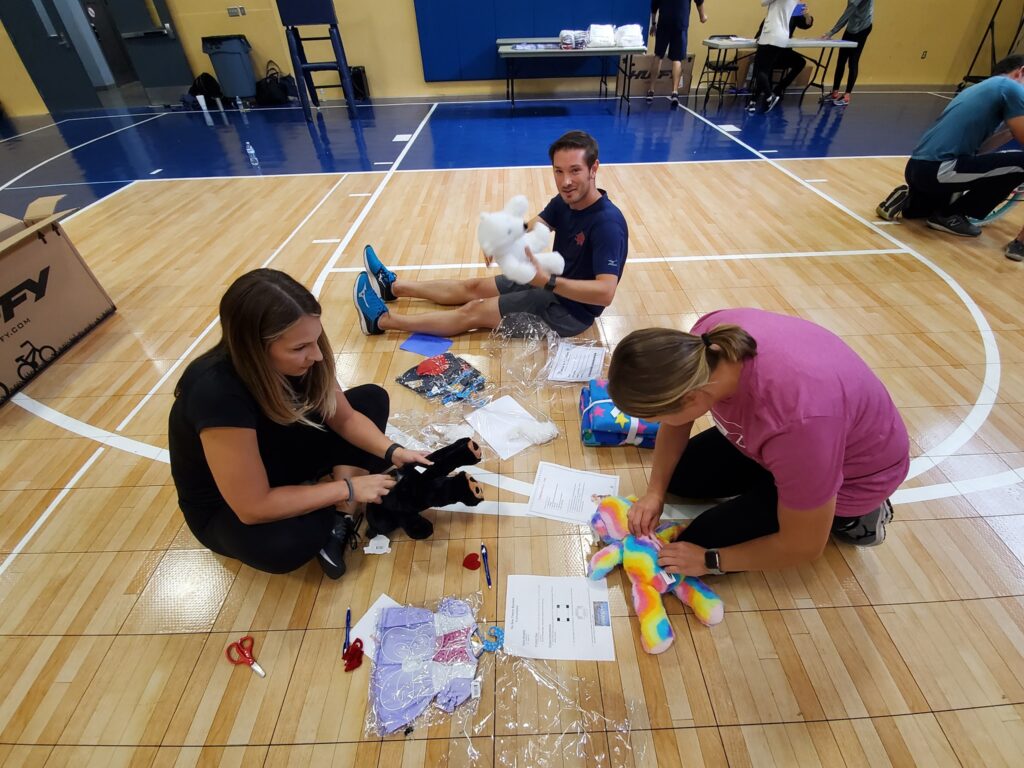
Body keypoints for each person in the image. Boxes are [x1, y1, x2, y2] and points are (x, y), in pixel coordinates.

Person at [606, 308, 910, 578]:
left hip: (854, 472)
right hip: (788, 443)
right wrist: (654, 492)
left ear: (691, 398)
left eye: (659, 416)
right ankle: (782, 485)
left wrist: (710, 560)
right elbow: (678, 419)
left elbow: (803, 546)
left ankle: (853, 517)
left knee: (699, 543)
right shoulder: (701, 345)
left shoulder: (796, 422)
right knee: (680, 475)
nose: (660, 425)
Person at [168, 269, 431, 579]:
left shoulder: (303, 357)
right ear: (254, 348)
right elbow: (252, 507)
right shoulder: (216, 393)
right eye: (300, 348)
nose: (317, 355)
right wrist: (346, 487)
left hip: (275, 455)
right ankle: (333, 505)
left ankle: (339, 517)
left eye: (315, 339)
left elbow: (344, 417)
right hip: (229, 506)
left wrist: (393, 452)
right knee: (288, 545)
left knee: (371, 399)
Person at [353, 131, 628, 339]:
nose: (566, 181)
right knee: (473, 287)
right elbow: (538, 223)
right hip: (549, 283)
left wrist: (549, 281)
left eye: (575, 171)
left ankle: (382, 321)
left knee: (474, 310)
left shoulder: (607, 224)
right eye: (559, 171)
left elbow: (605, 293)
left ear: (594, 169)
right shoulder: (566, 200)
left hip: (570, 313)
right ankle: (394, 287)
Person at [876, 54, 1024, 240]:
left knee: (922, 211)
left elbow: (979, 151)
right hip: (941, 170)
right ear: (1021, 72)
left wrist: (1009, 132)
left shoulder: (981, 89)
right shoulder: (1010, 87)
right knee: (1021, 162)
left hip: (918, 168)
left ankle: (910, 200)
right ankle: (951, 216)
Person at [749, 3, 814, 111]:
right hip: (775, 43)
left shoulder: (791, 13)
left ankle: (772, 93)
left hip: (778, 45)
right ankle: (762, 97)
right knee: (763, 69)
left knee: (763, 69)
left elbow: (807, 24)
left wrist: (807, 14)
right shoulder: (777, 13)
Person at [646, 0, 708, 109]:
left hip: (664, 22)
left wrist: (654, 23)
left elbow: (654, 5)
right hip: (680, 22)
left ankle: (651, 91)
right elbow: (699, 1)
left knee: (658, 55)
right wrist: (702, 16)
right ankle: (674, 92)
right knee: (677, 59)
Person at [823, 0, 874, 106]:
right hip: (851, 27)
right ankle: (835, 92)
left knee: (853, 61)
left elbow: (848, 12)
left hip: (862, 28)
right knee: (841, 60)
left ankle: (847, 96)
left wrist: (831, 32)